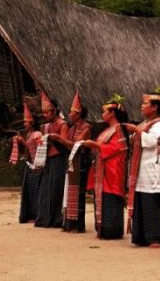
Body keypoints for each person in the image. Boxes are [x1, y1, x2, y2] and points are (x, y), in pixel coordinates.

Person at [123, 86, 160, 248]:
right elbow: (135, 139)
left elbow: (153, 142)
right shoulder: (145, 123)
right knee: (141, 204)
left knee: (151, 205)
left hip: (153, 171)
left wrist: (136, 130)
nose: (142, 106)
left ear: (155, 107)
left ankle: (156, 238)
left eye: (145, 104)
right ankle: (141, 236)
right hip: (141, 171)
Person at [81, 94, 129, 239]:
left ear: (112, 113)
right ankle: (102, 228)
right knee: (102, 198)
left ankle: (112, 230)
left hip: (112, 170)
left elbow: (118, 147)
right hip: (102, 169)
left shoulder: (118, 129)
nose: (102, 115)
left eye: (105, 112)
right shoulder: (106, 130)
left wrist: (95, 145)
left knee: (111, 198)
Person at [49, 91, 92, 233]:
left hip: (81, 161)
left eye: (72, 113)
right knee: (70, 191)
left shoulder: (86, 127)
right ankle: (69, 222)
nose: (69, 115)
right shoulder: (72, 128)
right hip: (72, 160)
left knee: (78, 192)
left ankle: (79, 225)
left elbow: (76, 145)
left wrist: (60, 139)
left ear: (78, 114)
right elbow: (68, 144)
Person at [35, 92, 70, 228]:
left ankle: (56, 219)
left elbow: (65, 143)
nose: (44, 115)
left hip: (59, 159)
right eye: (43, 113)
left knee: (56, 189)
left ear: (54, 111)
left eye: (47, 112)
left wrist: (55, 138)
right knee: (45, 190)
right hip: (48, 159)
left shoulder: (62, 125)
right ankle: (44, 218)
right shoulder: (46, 127)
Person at [12, 103, 42, 223]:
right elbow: (27, 151)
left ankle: (36, 215)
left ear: (32, 123)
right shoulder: (29, 134)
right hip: (29, 164)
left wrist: (23, 142)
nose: (24, 124)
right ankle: (29, 214)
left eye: (26, 122)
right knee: (29, 190)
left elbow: (40, 149)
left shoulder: (38, 134)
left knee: (36, 190)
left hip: (37, 165)